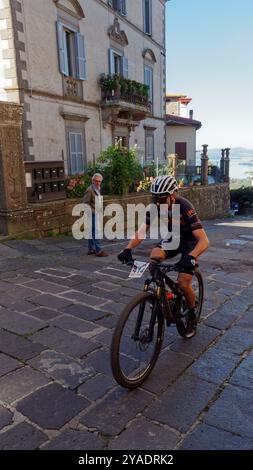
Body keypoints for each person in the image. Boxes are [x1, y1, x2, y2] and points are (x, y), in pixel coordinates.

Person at [118, 175, 210, 337]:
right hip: (173, 238)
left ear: (172, 196)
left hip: (190, 242)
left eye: (161, 200)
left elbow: (204, 240)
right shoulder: (154, 207)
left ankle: (191, 311)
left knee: (183, 282)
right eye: (155, 199)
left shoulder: (184, 206)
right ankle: (165, 294)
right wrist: (128, 249)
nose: (157, 203)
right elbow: (141, 232)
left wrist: (192, 256)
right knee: (154, 258)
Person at [83, 173, 108, 257]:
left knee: (92, 232)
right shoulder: (90, 190)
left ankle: (91, 249)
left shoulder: (98, 189)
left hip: (97, 213)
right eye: (96, 181)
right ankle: (98, 250)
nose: (98, 183)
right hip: (92, 214)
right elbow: (85, 204)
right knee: (96, 232)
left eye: (99, 181)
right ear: (92, 181)